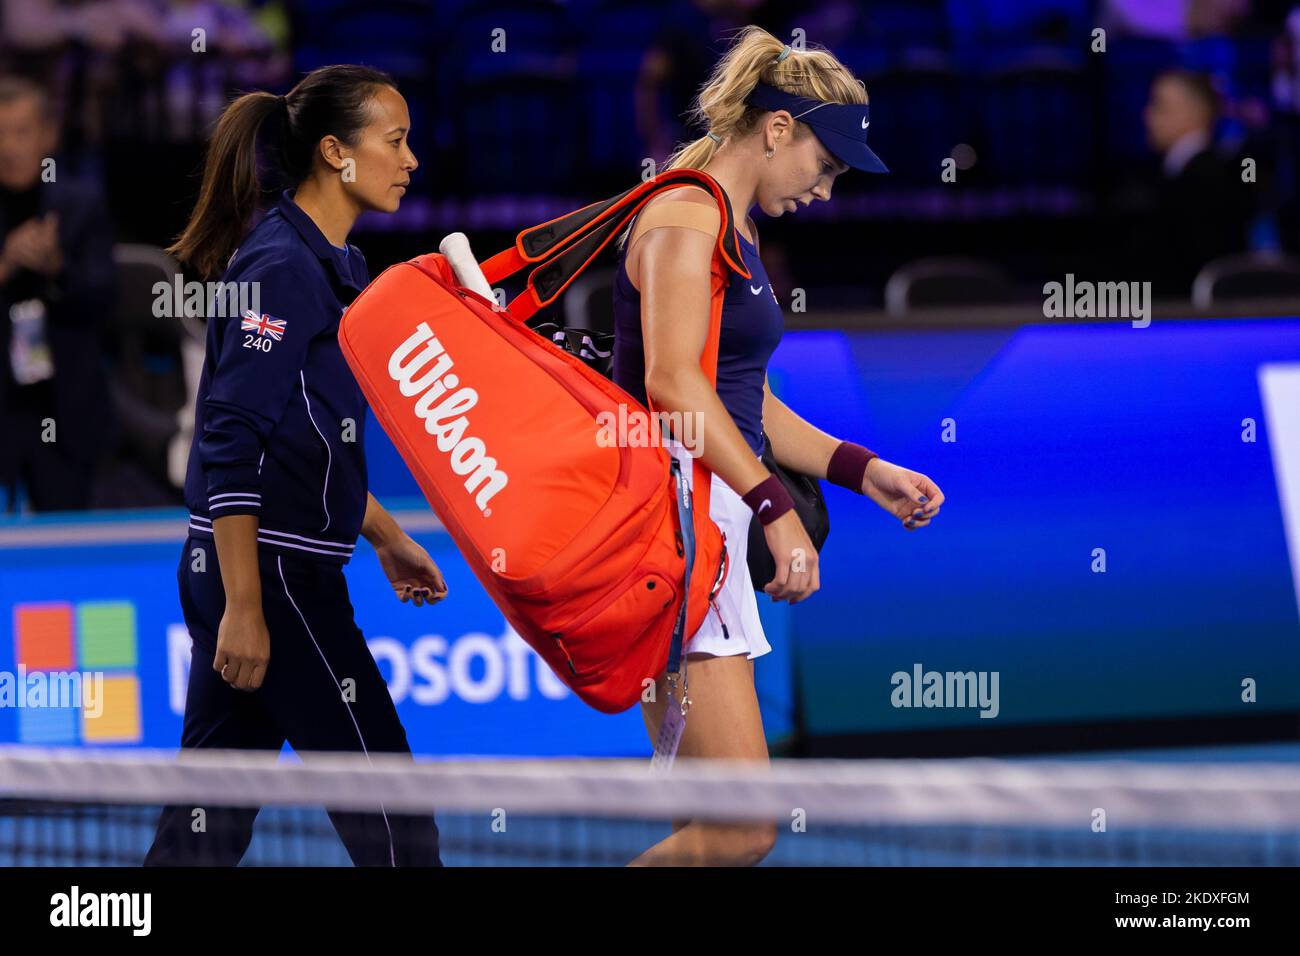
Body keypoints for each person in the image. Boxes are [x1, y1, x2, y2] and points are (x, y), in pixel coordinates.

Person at [612, 27, 945, 866]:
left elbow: (743, 396)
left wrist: (861, 470)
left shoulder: (733, 225)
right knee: (739, 829)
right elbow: (672, 386)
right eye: (825, 168)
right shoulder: (688, 217)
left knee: (727, 828)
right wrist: (774, 509)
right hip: (676, 530)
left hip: (705, 522)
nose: (826, 192)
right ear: (777, 130)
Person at [145, 65, 445, 866]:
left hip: (265, 566)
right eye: (395, 141)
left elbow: (307, 435)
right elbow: (230, 436)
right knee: (391, 810)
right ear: (334, 153)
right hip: (271, 577)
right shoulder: (280, 266)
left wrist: (380, 532)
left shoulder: (325, 265)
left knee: (204, 830)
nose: (411, 159)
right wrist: (246, 604)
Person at [0, 75, 115, 512]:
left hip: (64, 404)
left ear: (48, 134)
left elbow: (103, 299)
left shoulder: (81, 205)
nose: (9, 147)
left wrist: (56, 270)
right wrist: (7, 264)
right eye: (0, 134)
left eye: (22, 132)